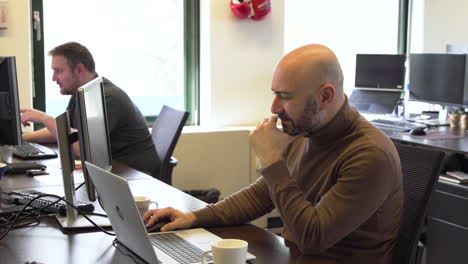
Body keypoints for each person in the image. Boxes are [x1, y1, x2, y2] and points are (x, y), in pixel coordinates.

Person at [143, 44, 403, 263]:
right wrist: (194, 217)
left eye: (285, 96)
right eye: (275, 94)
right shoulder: (307, 131)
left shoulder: (369, 154)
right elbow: (262, 194)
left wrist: (271, 161)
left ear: (325, 96)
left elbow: (313, 238)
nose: (274, 107)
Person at [21, 42, 161, 178]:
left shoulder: (106, 98)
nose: (53, 78)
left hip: (136, 176)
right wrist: (20, 139)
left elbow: (82, 151)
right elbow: (65, 131)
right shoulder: (81, 94)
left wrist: (44, 119)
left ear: (80, 69)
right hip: (114, 171)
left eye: (59, 71)